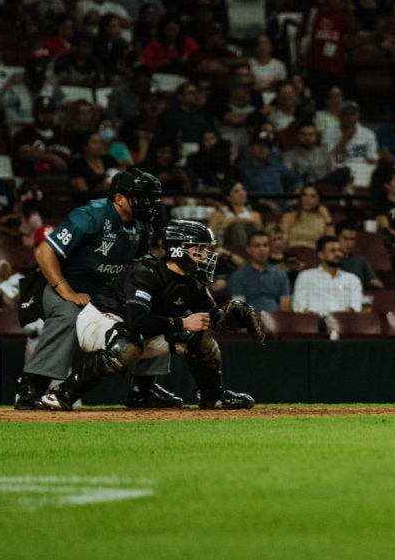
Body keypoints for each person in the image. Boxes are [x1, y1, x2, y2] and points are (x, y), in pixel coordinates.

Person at [37, 220, 256, 411]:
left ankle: (212, 398)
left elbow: (214, 320)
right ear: (178, 250)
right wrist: (183, 323)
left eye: (206, 250)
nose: (206, 256)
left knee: (201, 337)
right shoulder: (146, 272)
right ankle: (61, 394)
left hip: (136, 332)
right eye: (199, 249)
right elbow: (137, 321)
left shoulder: (192, 282)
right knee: (127, 344)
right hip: (99, 320)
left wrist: (234, 317)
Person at [14, 168, 179, 410]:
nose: (148, 203)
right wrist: (66, 290)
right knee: (69, 315)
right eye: (141, 197)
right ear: (119, 198)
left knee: (153, 309)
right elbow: (44, 251)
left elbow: (137, 264)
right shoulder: (91, 215)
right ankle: (32, 387)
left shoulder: (142, 224)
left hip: (104, 295)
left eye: (150, 197)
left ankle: (142, 390)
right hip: (62, 285)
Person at [292, 235, 363, 315]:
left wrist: (334, 317)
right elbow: (299, 307)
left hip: (343, 323)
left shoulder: (352, 279)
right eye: (333, 251)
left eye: (339, 250)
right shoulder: (305, 277)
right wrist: (315, 316)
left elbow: (356, 307)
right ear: (321, 255)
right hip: (314, 323)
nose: (338, 254)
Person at [227, 229, 291, 312]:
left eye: (265, 245)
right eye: (257, 246)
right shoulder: (238, 276)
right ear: (248, 249)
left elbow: (285, 306)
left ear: (270, 248)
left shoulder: (280, 274)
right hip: (250, 320)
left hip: (275, 320)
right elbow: (239, 309)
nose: (262, 249)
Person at [323, 100, 378, 165]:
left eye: (353, 114)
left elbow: (373, 159)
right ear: (339, 116)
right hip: (339, 169)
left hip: (362, 169)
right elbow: (327, 160)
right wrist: (344, 139)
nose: (350, 117)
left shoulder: (368, 134)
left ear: (358, 116)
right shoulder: (328, 132)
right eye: (346, 114)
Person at [280, 183, 333, 249]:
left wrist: (327, 217)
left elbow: (331, 243)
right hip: (292, 254)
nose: (307, 199)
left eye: (312, 196)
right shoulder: (288, 217)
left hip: (315, 256)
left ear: (318, 200)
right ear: (300, 198)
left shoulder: (324, 219)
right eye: (304, 195)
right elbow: (281, 241)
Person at [336, 220, 383, 290]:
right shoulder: (329, 260)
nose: (349, 243)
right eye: (345, 238)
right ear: (337, 238)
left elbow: (378, 286)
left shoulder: (360, 260)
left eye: (352, 239)